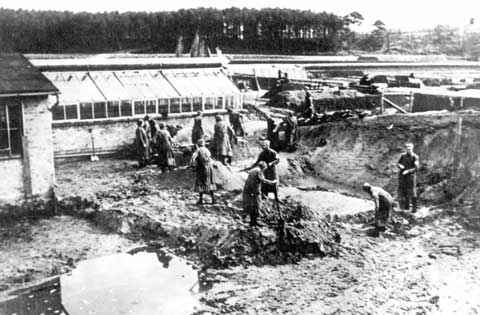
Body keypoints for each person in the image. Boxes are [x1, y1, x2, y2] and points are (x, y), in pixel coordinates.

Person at [243, 161, 277, 227]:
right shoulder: (259, 171)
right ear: (263, 167)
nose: (264, 170)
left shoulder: (253, 170)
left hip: (248, 191)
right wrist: (272, 182)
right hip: (254, 191)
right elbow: (263, 180)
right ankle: (254, 222)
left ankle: (252, 222)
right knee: (257, 206)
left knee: (252, 206)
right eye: (264, 168)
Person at [190, 139, 216, 205]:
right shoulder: (207, 150)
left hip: (202, 168)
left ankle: (201, 200)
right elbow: (210, 159)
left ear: (198, 145)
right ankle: (213, 199)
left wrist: (192, 166)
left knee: (200, 183)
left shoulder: (198, 150)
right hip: (209, 168)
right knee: (210, 183)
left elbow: (193, 158)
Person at [397, 142, 419, 212]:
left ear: (412, 148)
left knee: (413, 192)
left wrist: (408, 171)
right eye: (407, 147)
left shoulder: (415, 156)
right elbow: (398, 163)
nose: (408, 149)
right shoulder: (403, 156)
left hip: (411, 177)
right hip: (403, 176)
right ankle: (406, 207)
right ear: (405, 149)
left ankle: (414, 209)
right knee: (405, 191)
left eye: (410, 147)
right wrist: (400, 165)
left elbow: (416, 168)